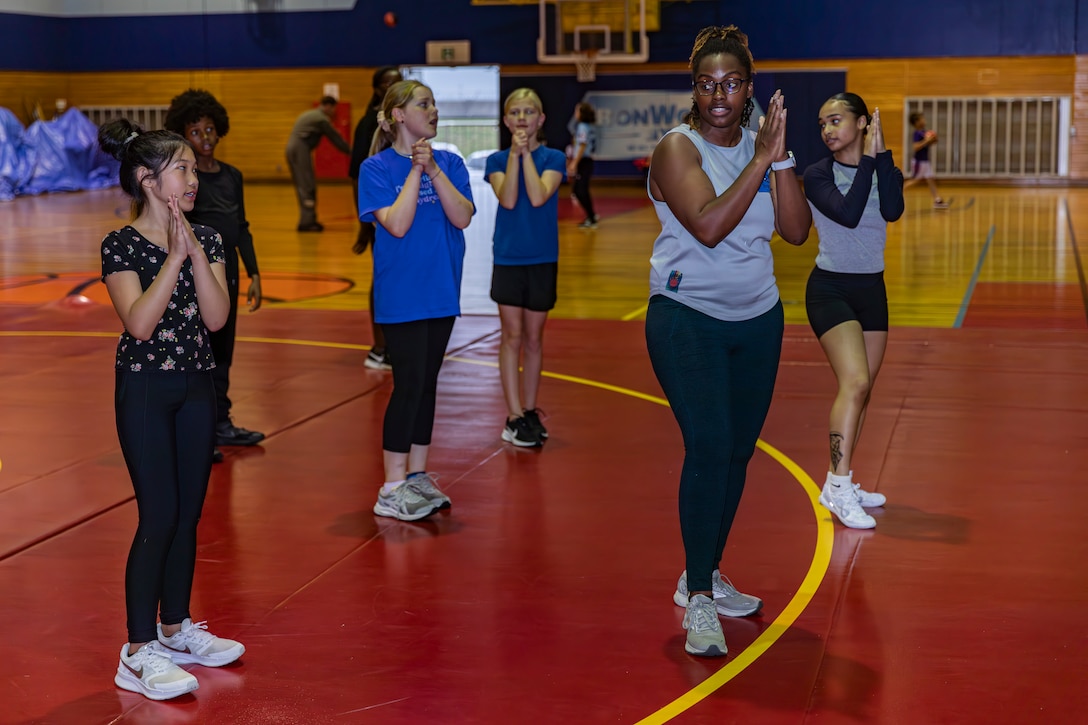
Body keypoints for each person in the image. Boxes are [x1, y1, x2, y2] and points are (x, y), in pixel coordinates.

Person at [644, 25, 811, 657]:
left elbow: (795, 232)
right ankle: (699, 601)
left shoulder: (764, 146)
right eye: (708, 83)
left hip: (759, 318)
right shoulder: (676, 148)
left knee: (738, 453)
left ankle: (706, 574)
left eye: (732, 82)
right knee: (710, 445)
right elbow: (710, 225)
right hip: (688, 316)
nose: (720, 94)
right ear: (694, 88)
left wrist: (782, 157)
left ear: (749, 88)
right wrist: (761, 162)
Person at [98, 119, 245, 701]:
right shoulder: (121, 244)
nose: (191, 178)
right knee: (157, 516)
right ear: (147, 179)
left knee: (188, 516)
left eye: (189, 168)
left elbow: (216, 318)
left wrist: (194, 252)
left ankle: (177, 627)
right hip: (145, 391)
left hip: (195, 387)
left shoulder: (208, 238)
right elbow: (138, 321)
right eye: (181, 168)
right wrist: (172, 260)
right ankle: (136, 651)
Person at [357, 80, 475, 521]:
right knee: (407, 386)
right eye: (423, 103)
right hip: (402, 297)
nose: (434, 110)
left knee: (427, 385)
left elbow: (462, 216)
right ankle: (390, 487)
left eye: (434, 103)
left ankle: (417, 475)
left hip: (441, 292)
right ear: (398, 116)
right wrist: (414, 170)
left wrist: (434, 170)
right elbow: (399, 224)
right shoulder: (376, 169)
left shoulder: (450, 162)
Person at [804, 93, 904, 529]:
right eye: (823, 123)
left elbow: (892, 209)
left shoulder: (879, 165)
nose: (827, 129)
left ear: (863, 122)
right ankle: (837, 485)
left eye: (837, 120)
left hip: (872, 289)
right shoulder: (816, 174)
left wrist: (885, 160)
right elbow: (846, 213)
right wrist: (869, 160)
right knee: (855, 381)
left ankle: (842, 480)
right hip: (831, 289)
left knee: (865, 390)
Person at [164, 89, 265, 461]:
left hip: (229, 274)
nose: (205, 138)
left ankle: (221, 423)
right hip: (195, 276)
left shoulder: (232, 176)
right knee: (197, 353)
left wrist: (253, 272)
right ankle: (195, 431)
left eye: (210, 130)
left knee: (223, 351)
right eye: (195, 132)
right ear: (181, 135)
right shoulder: (185, 182)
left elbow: (242, 226)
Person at [485, 88, 567, 447]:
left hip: (542, 259)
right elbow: (509, 197)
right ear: (505, 120)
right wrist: (515, 156)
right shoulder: (496, 160)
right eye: (515, 112)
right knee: (512, 337)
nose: (521, 118)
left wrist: (525, 155)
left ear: (540, 119)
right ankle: (514, 415)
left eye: (529, 111)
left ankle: (530, 410)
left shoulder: (554, 158)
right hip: (508, 259)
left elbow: (538, 196)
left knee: (534, 339)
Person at [349, 66, 403, 371]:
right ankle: (379, 346)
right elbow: (356, 177)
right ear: (379, 89)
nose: (396, 87)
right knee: (383, 276)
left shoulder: (403, 121)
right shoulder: (370, 123)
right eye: (390, 84)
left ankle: (397, 342)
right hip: (380, 217)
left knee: (400, 275)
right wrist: (363, 225)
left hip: (406, 215)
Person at [285, 95, 350, 232]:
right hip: (299, 148)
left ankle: (309, 219)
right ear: (328, 106)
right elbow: (336, 139)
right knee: (307, 185)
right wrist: (352, 153)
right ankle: (307, 222)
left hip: (296, 148)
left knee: (305, 184)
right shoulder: (321, 119)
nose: (333, 112)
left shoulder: (311, 114)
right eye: (333, 109)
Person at [902, 111, 949, 208]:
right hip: (919, 162)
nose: (924, 120)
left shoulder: (924, 132)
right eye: (921, 119)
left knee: (931, 179)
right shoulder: (917, 133)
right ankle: (897, 193)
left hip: (925, 161)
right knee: (915, 180)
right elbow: (916, 147)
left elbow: (930, 142)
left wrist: (933, 139)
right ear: (916, 122)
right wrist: (926, 141)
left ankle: (937, 200)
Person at [567, 101, 598, 228]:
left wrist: (574, 162)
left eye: (577, 110)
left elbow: (582, 145)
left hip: (584, 161)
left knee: (579, 190)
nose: (575, 113)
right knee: (581, 189)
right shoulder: (590, 126)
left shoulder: (582, 127)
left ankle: (591, 217)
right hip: (587, 161)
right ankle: (591, 215)